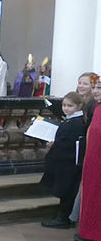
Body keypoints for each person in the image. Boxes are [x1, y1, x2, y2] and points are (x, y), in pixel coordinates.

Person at [40, 91, 86, 229]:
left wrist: (55, 144)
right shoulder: (70, 120)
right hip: (64, 161)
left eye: (70, 106)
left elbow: (69, 142)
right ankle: (62, 215)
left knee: (67, 191)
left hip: (69, 162)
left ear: (79, 106)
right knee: (64, 190)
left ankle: (63, 218)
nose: (66, 108)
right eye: (64, 105)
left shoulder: (76, 123)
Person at [76, 80, 101, 241]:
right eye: (96, 87)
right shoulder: (98, 108)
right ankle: (89, 232)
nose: (95, 91)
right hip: (93, 162)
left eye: (99, 88)